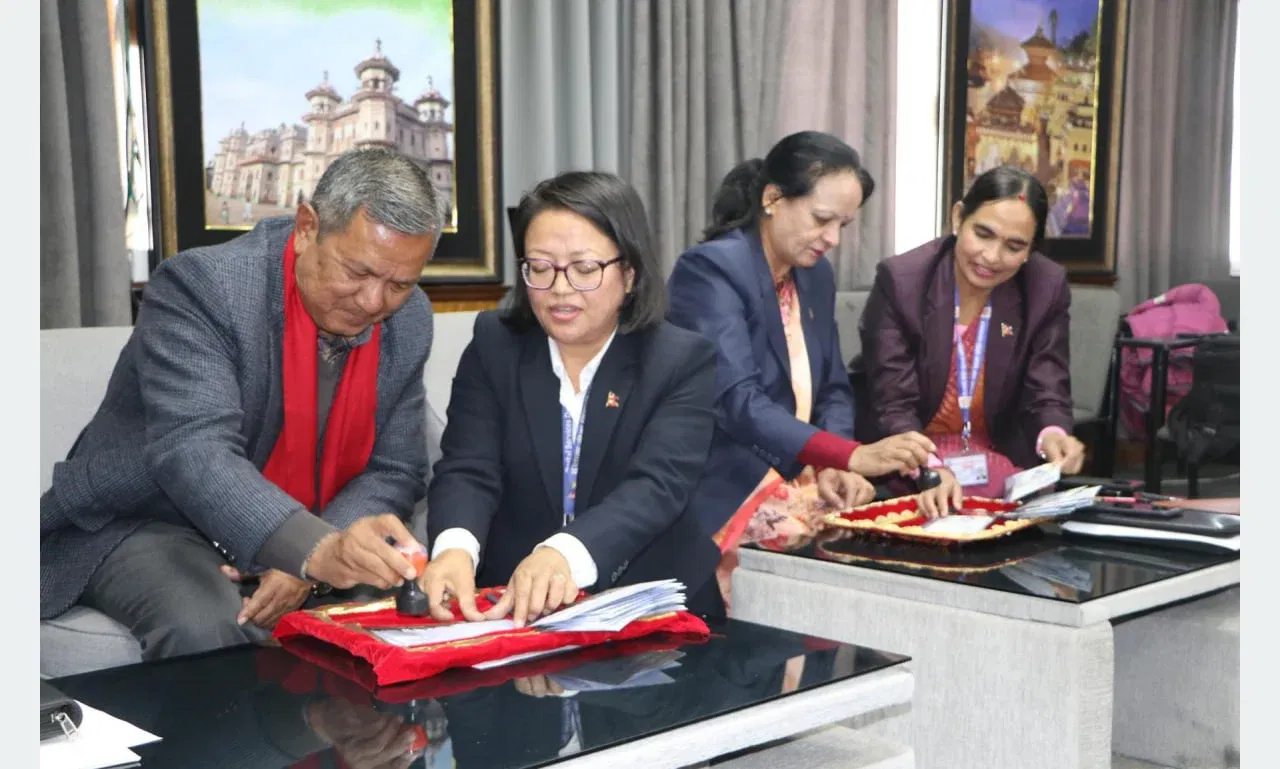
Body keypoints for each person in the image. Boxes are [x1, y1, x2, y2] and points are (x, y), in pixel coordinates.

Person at [40, 148, 443, 659]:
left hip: (310, 518)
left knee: (386, 615)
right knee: (204, 623)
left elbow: (395, 468)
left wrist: (316, 553)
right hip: (152, 518)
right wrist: (311, 549)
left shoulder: (409, 319)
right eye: (357, 272)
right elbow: (195, 451)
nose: (373, 302)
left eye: (399, 284)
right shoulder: (205, 286)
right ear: (307, 228)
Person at [421, 171, 722, 625]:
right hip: (516, 608)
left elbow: (656, 486)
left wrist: (563, 554)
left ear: (629, 273)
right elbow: (469, 468)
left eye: (584, 269)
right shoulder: (494, 345)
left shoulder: (680, 360)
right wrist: (455, 548)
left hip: (650, 605)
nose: (560, 289)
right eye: (541, 268)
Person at [665, 131, 935, 602]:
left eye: (843, 224)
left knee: (892, 542)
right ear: (773, 199)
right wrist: (848, 455)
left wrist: (831, 462)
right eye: (822, 219)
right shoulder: (711, 270)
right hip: (726, 477)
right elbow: (738, 401)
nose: (832, 239)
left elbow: (833, 386)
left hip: (796, 470)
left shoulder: (814, 274)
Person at [857, 165, 1086, 518]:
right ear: (958, 217)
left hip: (996, 456)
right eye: (983, 234)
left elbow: (1047, 386)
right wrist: (930, 469)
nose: (991, 257)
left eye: (1014, 246)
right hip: (910, 459)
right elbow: (893, 403)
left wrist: (1053, 435)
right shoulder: (902, 281)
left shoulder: (1045, 286)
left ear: (1031, 250)